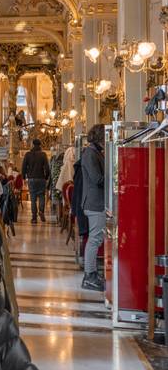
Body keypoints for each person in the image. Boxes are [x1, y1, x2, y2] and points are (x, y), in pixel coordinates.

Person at [81, 124, 106, 292]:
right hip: (94, 203)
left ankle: (91, 273)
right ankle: (89, 276)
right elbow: (97, 178)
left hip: (97, 202)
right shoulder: (90, 153)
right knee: (95, 239)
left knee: (96, 238)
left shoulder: (95, 152)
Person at [21, 138, 51, 223]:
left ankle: (34, 217)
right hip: (41, 178)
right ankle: (41, 211)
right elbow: (47, 168)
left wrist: (23, 177)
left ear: (32, 145)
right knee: (42, 196)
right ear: (40, 145)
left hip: (31, 179)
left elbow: (23, 167)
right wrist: (46, 177)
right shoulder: (43, 154)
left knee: (33, 198)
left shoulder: (28, 154)